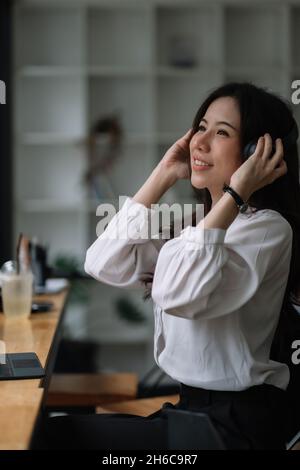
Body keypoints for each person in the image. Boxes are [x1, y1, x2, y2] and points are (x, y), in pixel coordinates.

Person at [39, 82, 300, 450]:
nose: (200, 141)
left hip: (233, 429)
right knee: (53, 432)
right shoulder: (197, 225)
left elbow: (178, 293)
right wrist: (162, 174)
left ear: (255, 153)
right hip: (190, 413)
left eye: (221, 132)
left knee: (55, 438)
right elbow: (101, 263)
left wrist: (236, 193)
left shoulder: (267, 229)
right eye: (201, 127)